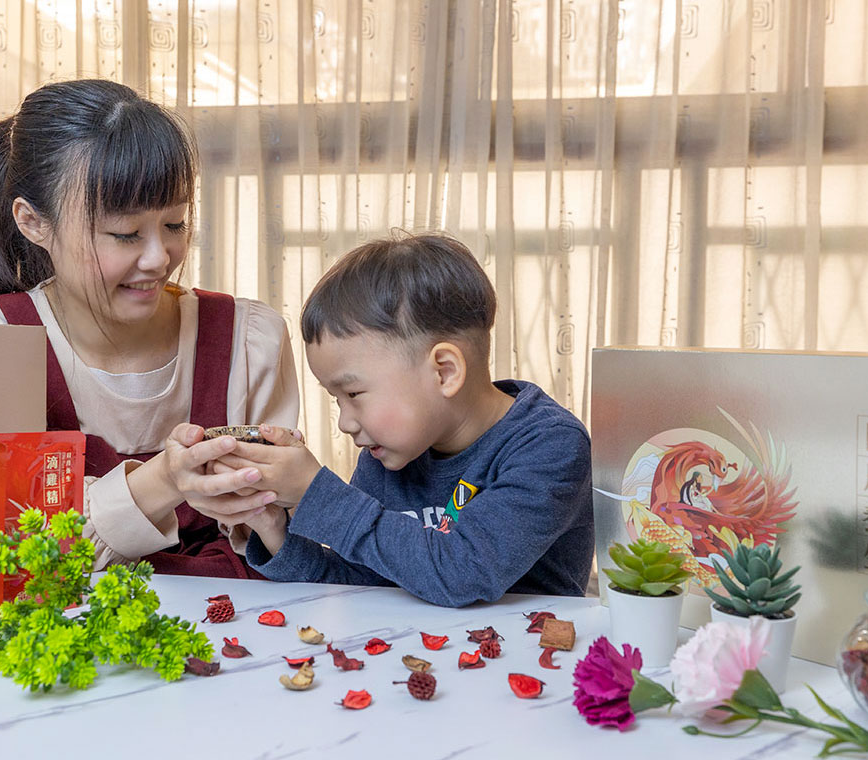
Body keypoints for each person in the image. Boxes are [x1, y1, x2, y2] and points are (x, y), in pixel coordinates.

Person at [0, 79, 298, 578]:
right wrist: (164, 479)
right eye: (124, 233)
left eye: (175, 224)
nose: (159, 258)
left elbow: (285, 548)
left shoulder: (249, 339)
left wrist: (278, 506)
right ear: (33, 222)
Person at [202, 233, 594, 606]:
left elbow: (463, 572)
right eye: (336, 399)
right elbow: (360, 585)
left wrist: (313, 492)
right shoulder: (389, 456)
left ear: (444, 371)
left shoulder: (551, 445)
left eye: (353, 394)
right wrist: (273, 529)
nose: (344, 422)